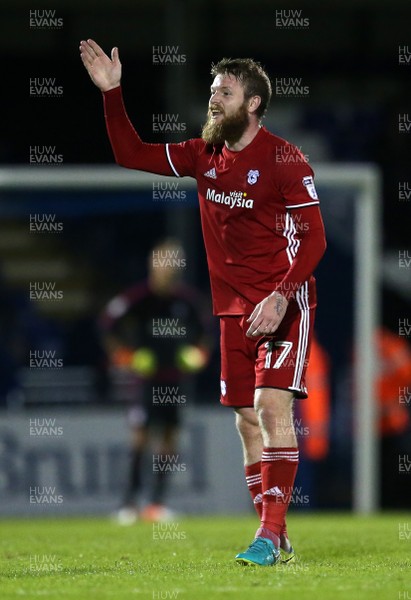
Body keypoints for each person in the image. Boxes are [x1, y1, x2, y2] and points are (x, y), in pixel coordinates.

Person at [80, 39, 327, 566]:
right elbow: (129, 153)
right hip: (232, 310)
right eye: (212, 91)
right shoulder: (203, 154)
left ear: (253, 103)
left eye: (225, 92)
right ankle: (274, 532)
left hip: (285, 303)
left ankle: (268, 533)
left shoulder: (285, 158)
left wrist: (282, 296)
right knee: (245, 420)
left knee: (270, 406)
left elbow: (314, 240)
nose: (213, 99)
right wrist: (112, 93)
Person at [100, 239, 210, 523]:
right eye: (164, 263)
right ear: (153, 265)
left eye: (173, 264)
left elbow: (206, 331)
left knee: (169, 441)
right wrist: (124, 356)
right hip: (145, 381)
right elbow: (107, 325)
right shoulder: (137, 298)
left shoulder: (187, 301)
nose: (168, 269)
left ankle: (157, 503)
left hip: (174, 380)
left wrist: (199, 354)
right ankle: (128, 504)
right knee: (140, 438)